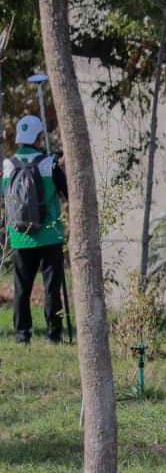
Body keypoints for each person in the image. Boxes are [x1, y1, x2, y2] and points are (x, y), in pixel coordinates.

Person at [3, 115, 68, 345]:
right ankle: (54, 336)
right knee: (52, 288)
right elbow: (67, 190)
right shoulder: (48, 163)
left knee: (22, 289)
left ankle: (22, 337)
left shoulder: (8, 165)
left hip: (21, 237)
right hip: (50, 234)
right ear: (40, 137)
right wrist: (59, 166)